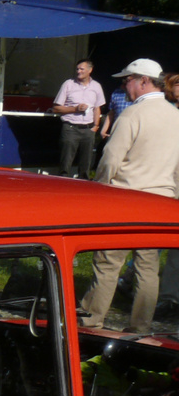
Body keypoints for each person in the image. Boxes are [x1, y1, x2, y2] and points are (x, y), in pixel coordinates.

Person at [78, 60, 179, 335]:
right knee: (148, 266)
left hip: (127, 198)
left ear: (143, 81)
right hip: (162, 201)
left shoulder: (133, 114)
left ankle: (91, 321)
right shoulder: (176, 116)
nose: (125, 86)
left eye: (128, 80)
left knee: (108, 262)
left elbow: (111, 159)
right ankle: (141, 326)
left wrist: (99, 189)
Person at [51, 59, 104, 179]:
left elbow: (97, 108)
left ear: (90, 70)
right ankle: (63, 185)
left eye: (81, 69)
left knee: (86, 163)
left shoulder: (96, 86)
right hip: (70, 128)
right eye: (77, 69)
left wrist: (95, 127)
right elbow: (56, 109)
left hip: (88, 129)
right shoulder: (68, 84)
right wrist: (75, 109)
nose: (78, 71)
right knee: (65, 163)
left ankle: (83, 187)